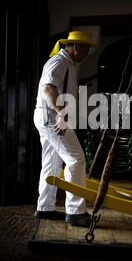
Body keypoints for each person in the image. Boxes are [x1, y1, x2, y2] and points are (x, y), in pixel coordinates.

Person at [33, 30, 98, 227]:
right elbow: (48, 89)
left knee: (51, 164)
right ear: (76, 48)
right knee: (76, 160)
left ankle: (45, 208)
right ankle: (76, 212)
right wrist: (61, 113)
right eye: (86, 50)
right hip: (53, 119)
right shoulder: (59, 62)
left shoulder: (68, 64)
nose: (87, 54)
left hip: (48, 118)